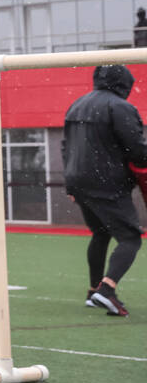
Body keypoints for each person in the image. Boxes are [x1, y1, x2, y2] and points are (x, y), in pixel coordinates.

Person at [62, 64, 147, 317]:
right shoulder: (120, 107)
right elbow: (136, 148)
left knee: (100, 233)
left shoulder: (76, 104)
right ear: (124, 84)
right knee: (130, 237)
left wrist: (70, 182)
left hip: (78, 181)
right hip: (107, 183)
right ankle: (107, 290)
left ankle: (92, 291)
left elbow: (66, 146)